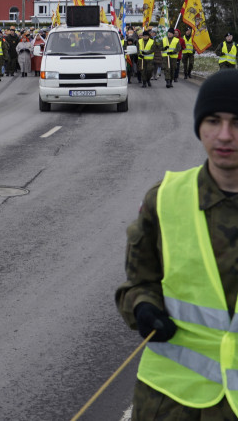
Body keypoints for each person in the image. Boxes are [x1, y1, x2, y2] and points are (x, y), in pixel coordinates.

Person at [114, 70, 238, 419]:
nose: (225, 135)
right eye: (213, 120)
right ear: (199, 125)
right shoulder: (166, 199)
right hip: (171, 404)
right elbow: (137, 285)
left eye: (237, 122)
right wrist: (143, 307)